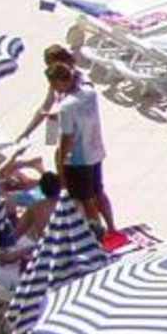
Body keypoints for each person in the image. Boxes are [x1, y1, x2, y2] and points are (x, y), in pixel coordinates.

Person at [49, 62, 113, 238]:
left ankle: (98, 236)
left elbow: (67, 137)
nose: (54, 89)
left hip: (79, 159)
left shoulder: (66, 106)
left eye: (53, 84)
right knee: (98, 191)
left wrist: (61, 162)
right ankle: (112, 227)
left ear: (59, 81)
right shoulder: (90, 93)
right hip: (96, 149)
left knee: (86, 199)